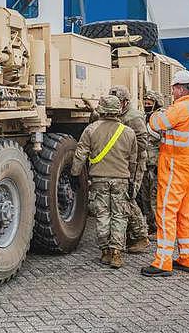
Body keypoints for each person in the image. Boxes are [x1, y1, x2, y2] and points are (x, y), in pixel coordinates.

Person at [140, 70, 189, 277]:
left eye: (173, 88)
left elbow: (154, 125)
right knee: (185, 214)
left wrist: (158, 114)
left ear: (179, 88)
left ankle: (163, 262)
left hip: (175, 167)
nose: (172, 92)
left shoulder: (178, 109)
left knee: (166, 213)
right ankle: (187, 258)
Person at [72, 95, 138, 269]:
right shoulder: (129, 132)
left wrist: (74, 174)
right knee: (119, 215)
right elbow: (133, 161)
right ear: (118, 110)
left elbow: (80, 155)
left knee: (102, 215)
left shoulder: (90, 130)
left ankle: (105, 252)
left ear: (101, 109)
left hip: (98, 180)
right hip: (121, 180)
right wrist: (131, 180)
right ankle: (116, 252)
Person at [108, 85, 150, 254]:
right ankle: (131, 235)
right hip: (122, 162)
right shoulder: (118, 115)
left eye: (117, 102)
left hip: (133, 163)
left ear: (125, 102)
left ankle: (141, 237)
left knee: (129, 198)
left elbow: (142, 144)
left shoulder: (133, 118)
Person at [139, 90, 165, 240]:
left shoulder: (160, 119)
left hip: (156, 166)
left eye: (149, 103)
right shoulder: (144, 118)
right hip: (144, 165)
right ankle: (151, 226)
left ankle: (158, 229)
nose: (147, 105)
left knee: (155, 199)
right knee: (145, 199)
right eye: (146, 103)